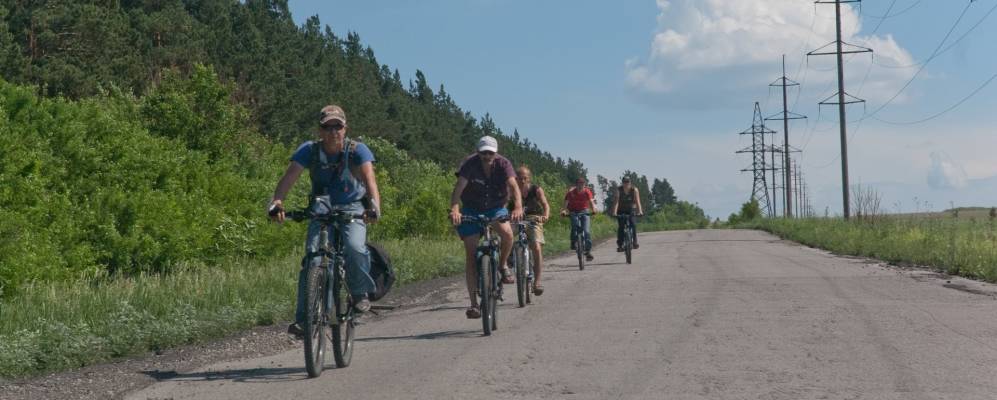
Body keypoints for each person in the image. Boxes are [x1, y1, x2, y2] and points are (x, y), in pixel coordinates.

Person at [268, 105, 382, 337]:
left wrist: (374, 207)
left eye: (337, 126)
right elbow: (289, 176)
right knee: (313, 258)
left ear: (345, 128)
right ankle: (304, 320)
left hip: (353, 207)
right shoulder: (309, 151)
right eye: (327, 127)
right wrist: (277, 202)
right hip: (322, 205)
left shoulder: (357, 150)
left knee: (354, 247)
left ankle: (360, 294)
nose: (333, 132)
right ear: (319, 130)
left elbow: (370, 179)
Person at [449, 136, 523, 319]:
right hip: (471, 208)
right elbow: (459, 187)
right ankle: (474, 304)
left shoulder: (504, 164)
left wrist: (518, 206)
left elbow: (513, 185)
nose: (487, 156)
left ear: (495, 152)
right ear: (478, 151)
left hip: (496, 207)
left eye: (490, 152)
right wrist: (455, 208)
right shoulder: (469, 163)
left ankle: (503, 264)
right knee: (471, 253)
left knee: (507, 234)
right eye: (483, 152)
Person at [511, 165, 550, 295]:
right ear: (515, 179)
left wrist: (545, 216)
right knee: (505, 237)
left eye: (525, 178)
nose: (522, 181)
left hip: (534, 218)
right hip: (516, 219)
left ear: (529, 179)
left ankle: (537, 282)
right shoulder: (511, 190)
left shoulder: (536, 190)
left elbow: (545, 205)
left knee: (536, 247)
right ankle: (509, 259)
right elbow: (503, 204)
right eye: (520, 178)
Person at [560, 177, 597, 261]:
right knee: (574, 227)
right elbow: (565, 204)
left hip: (584, 211)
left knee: (586, 231)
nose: (581, 185)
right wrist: (564, 211)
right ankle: (573, 243)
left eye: (582, 184)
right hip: (573, 211)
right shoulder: (570, 193)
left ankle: (588, 251)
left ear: (584, 185)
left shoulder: (587, 191)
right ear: (576, 185)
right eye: (579, 184)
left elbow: (591, 201)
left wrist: (594, 209)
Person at [611, 176, 644, 252]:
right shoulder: (619, 190)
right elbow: (616, 202)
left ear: (630, 182)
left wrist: (640, 211)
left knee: (633, 224)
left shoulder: (634, 190)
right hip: (621, 210)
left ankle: (635, 242)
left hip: (631, 210)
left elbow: (638, 201)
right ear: (622, 183)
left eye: (627, 182)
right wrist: (614, 212)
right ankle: (620, 245)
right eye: (624, 182)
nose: (626, 184)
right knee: (621, 227)